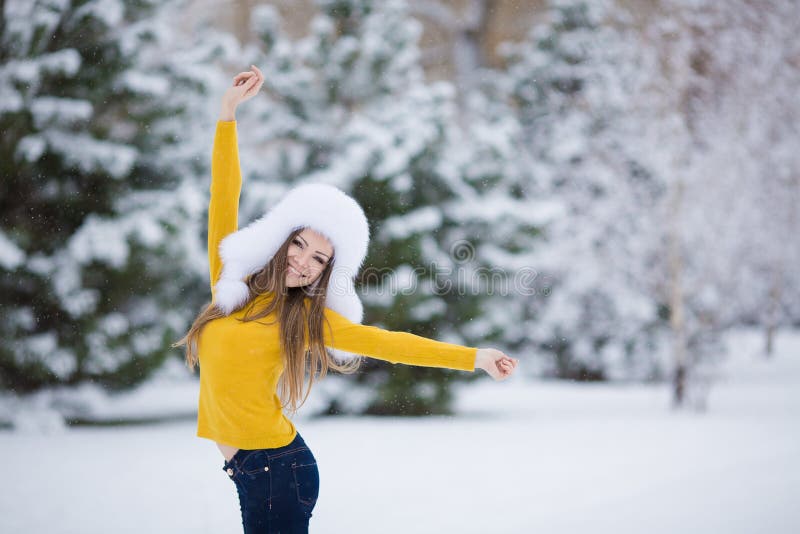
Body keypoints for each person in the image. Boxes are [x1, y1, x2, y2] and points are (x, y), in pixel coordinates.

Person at [173, 65, 519, 534]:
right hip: (255, 470)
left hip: (280, 469)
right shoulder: (230, 282)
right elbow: (224, 195)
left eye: (319, 259)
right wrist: (228, 114)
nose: (303, 262)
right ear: (281, 239)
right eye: (299, 245)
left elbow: (389, 343)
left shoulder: (306, 319)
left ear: (325, 273)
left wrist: (476, 358)